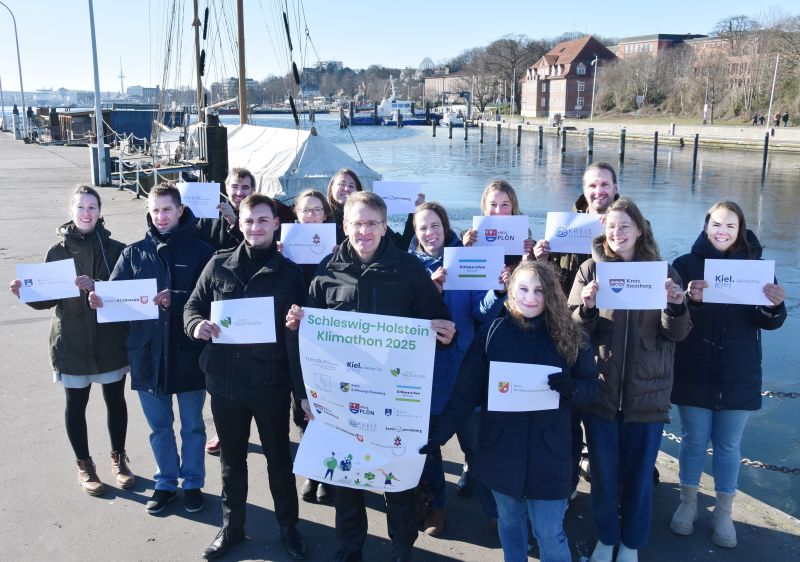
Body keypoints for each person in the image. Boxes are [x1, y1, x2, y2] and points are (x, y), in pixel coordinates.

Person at [285, 191, 456, 562]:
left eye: (371, 223)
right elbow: (306, 336)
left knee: (396, 483)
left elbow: (438, 322)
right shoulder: (328, 270)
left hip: (394, 400)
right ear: (344, 225)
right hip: (343, 400)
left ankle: (401, 548)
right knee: (347, 483)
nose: (364, 231)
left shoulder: (409, 269)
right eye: (356, 223)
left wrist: (445, 334)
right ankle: (350, 549)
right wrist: (302, 388)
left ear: (384, 226)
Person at [421, 260, 599, 562]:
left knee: (549, 533)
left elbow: (592, 388)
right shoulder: (492, 333)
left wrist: (572, 389)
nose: (530, 297)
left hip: (550, 454)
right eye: (523, 289)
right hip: (502, 451)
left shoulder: (571, 336)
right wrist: (438, 436)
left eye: (539, 291)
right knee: (510, 523)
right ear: (511, 292)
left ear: (551, 294)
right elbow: (465, 393)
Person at [184, 194, 308, 561]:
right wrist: (196, 325)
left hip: (270, 384)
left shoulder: (289, 273)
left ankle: (289, 528)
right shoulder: (218, 264)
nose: (256, 227)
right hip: (226, 384)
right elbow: (193, 305)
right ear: (239, 223)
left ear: (275, 224)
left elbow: (302, 332)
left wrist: (298, 323)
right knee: (231, 462)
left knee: (279, 462)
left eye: (263, 220)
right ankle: (232, 528)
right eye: (249, 221)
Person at [568, 197, 691, 562]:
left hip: (646, 394)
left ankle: (632, 544)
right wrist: (586, 310)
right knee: (604, 476)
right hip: (602, 390)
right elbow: (573, 331)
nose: (617, 233)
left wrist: (676, 305)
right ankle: (606, 539)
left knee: (639, 479)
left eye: (624, 226)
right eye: (611, 226)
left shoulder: (663, 272)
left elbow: (678, 333)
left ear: (639, 228)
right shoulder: (590, 270)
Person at [89, 183, 213, 515]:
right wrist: (100, 299)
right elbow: (114, 300)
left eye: (167, 209)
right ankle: (166, 483)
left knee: (193, 426)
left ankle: (193, 483)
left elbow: (213, 301)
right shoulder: (133, 253)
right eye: (155, 210)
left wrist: (178, 300)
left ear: (180, 211)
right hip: (147, 355)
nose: (161, 216)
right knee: (159, 427)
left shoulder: (202, 252)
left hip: (188, 354)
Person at [669, 201, 786, 548]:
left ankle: (723, 511)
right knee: (693, 440)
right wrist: (690, 301)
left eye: (731, 226)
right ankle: (687, 503)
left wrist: (774, 305)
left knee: (728, 446)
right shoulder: (684, 265)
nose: (723, 231)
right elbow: (672, 318)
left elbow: (769, 321)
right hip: (694, 368)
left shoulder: (758, 268)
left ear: (740, 230)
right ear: (706, 226)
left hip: (739, 370)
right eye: (717, 224)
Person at [9, 185, 132, 496]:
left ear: (100, 211)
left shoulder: (117, 249)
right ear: (71, 212)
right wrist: (26, 293)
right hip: (72, 341)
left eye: (92, 207)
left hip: (109, 341)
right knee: (75, 404)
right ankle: (84, 464)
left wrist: (99, 287)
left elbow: (128, 292)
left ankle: (119, 458)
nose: (87, 212)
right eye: (81, 207)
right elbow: (45, 301)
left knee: (115, 400)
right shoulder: (57, 251)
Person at [411, 202, 505, 536]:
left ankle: (496, 511)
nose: (430, 233)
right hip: (424, 376)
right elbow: (401, 319)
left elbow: (482, 314)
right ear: (415, 232)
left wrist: (497, 291)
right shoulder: (408, 267)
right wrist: (429, 290)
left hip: (465, 370)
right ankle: (436, 506)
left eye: (435, 225)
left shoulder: (465, 259)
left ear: (446, 227)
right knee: (429, 446)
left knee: (477, 446)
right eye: (423, 227)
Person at [534, 161, 620, 497]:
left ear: (615, 187)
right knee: (568, 416)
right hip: (570, 330)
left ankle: (607, 480)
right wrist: (542, 257)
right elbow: (552, 281)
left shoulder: (630, 223)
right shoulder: (565, 226)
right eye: (592, 186)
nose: (599, 192)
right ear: (584, 192)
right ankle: (566, 483)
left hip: (613, 334)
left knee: (606, 416)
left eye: (604, 185)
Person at [195, 168, 255, 455]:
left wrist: (235, 225)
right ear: (226, 187)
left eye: (245, 187)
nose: (239, 193)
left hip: (249, 301)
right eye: (235, 187)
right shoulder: (207, 214)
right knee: (220, 369)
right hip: (215, 296)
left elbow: (254, 248)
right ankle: (223, 429)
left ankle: (259, 424)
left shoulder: (258, 215)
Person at [291, 189, 336, 505]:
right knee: (302, 406)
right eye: (305, 210)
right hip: (294, 333)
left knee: (328, 403)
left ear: (325, 215)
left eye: (317, 210)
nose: (311, 216)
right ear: (296, 214)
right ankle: (313, 471)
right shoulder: (284, 249)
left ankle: (327, 475)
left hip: (326, 337)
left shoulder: (336, 251)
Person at [326, 168, 420, 250]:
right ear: (331, 188)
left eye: (351, 186)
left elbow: (403, 246)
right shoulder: (321, 218)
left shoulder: (373, 218)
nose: (346, 189)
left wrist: (415, 213)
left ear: (358, 192)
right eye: (341, 184)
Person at [461, 179, 536, 263]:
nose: (498, 211)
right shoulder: (466, 239)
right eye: (493, 204)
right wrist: (466, 250)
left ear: (512, 208)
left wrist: (530, 258)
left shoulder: (526, 244)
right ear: (484, 207)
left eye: (505, 204)